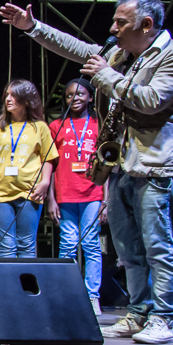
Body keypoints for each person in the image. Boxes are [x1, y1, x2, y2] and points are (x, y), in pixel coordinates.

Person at [0, 0, 173, 345]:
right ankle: (138, 313)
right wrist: (32, 27)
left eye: (121, 22)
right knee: (127, 248)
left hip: (155, 167)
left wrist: (105, 76)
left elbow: (150, 100)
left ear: (146, 25)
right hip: (119, 166)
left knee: (158, 245)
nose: (113, 28)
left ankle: (164, 318)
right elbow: (75, 47)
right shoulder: (122, 55)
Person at [0, 80, 56, 258]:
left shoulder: (40, 127)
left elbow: (48, 158)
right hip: (0, 193)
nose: (8, 99)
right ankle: (9, 286)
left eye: (13, 95)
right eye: (7, 95)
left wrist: (45, 181)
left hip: (29, 193)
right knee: (6, 246)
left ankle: (24, 286)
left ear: (27, 100)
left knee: (26, 245)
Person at [46, 78, 106, 315]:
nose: (75, 98)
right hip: (65, 194)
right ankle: (67, 294)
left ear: (91, 97)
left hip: (93, 193)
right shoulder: (56, 126)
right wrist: (50, 198)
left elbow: (107, 165)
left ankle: (92, 296)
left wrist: (106, 200)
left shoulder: (98, 125)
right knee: (68, 245)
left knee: (91, 244)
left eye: (80, 94)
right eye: (70, 95)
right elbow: (50, 165)